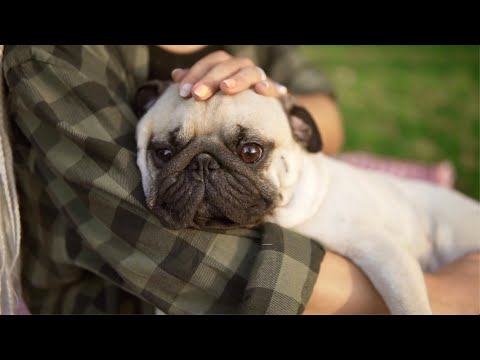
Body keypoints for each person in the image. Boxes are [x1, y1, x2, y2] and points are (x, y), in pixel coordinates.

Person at [3, 45, 478, 314]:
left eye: (247, 151)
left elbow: (324, 114)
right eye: (170, 152)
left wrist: (275, 97)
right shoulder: (56, 58)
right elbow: (154, 245)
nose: (204, 170)